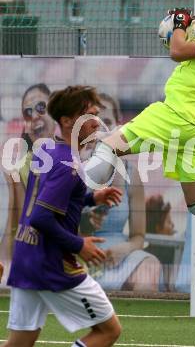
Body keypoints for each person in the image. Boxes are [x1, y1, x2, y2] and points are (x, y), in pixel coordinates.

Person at [84, 0, 195, 304]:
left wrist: (178, 26)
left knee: (107, 146)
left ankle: (62, 194)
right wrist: (178, 33)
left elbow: (178, 52)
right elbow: (186, 54)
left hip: (174, 115)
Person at [2, 86, 123, 347]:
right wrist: (80, 245)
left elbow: (49, 195)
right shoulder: (68, 163)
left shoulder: (48, 151)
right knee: (108, 331)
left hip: (26, 258)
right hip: (51, 264)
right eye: (90, 114)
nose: (97, 122)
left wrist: (90, 198)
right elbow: (41, 218)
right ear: (68, 121)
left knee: (18, 344)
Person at [81, 93, 161, 291]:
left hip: (118, 255)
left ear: (118, 126)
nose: (100, 130)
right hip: (80, 251)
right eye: (95, 123)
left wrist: (124, 249)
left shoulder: (131, 175)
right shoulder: (73, 167)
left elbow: (138, 237)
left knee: (150, 265)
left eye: (106, 123)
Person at [0, 83, 56, 263]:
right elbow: (17, 227)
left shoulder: (74, 157)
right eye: (27, 112)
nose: (35, 116)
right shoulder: (19, 168)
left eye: (40, 107)